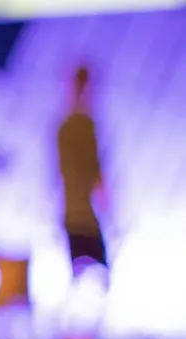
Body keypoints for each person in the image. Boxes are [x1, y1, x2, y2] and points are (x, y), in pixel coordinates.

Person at [57, 66, 107, 277]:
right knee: (90, 271)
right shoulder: (77, 126)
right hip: (78, 215)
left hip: (81, 214)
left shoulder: (76, 125)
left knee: (90, 271)